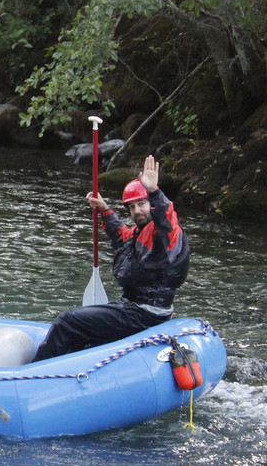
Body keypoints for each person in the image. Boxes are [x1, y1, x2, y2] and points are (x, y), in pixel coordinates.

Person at [33, 154, 190, 361]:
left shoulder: (164, 233)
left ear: (150, 204)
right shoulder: (139, 233)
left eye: (141, 204)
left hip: (145, 314)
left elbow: (166, 218)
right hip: (135, 309)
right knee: (83, 331)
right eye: (132, 207)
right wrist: (104, 209)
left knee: (67, 320)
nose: (137, 211)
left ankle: (36, 371)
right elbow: (120, 236)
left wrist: (154, 191)